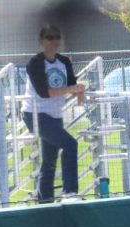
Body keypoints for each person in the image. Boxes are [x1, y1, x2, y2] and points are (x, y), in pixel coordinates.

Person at [21, 25, 85, 203]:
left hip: (55, 115)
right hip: (35, 114)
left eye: (57, 37)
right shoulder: (35, 63)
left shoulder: (64, 61)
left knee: (50, 159)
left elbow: (72, 84)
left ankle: (45, 200)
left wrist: (79, 90)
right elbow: (44, 92)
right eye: (50, 37)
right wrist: (72, 88)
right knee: (70, 144)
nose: (54, 41)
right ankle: (70, 191)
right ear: (41, 41)